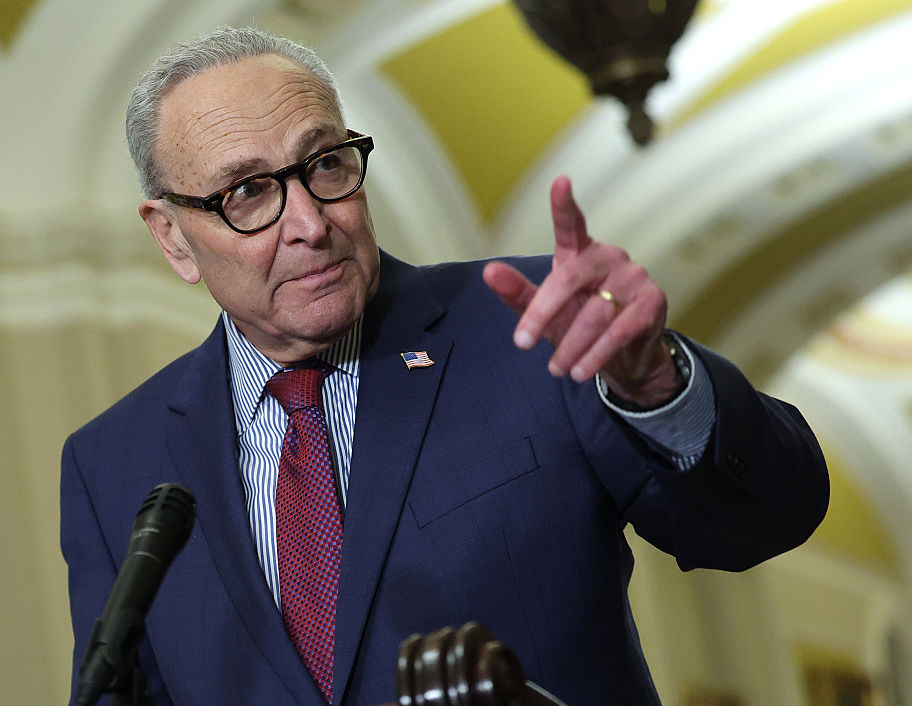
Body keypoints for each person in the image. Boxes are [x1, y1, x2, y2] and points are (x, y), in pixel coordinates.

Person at [61, 25, 829, 706]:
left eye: (325, 164)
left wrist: (660, 386)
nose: (309, 223)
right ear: (171, 238)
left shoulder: (531, 327)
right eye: (248, 192)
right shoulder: (112, 464)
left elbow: (764, 521)